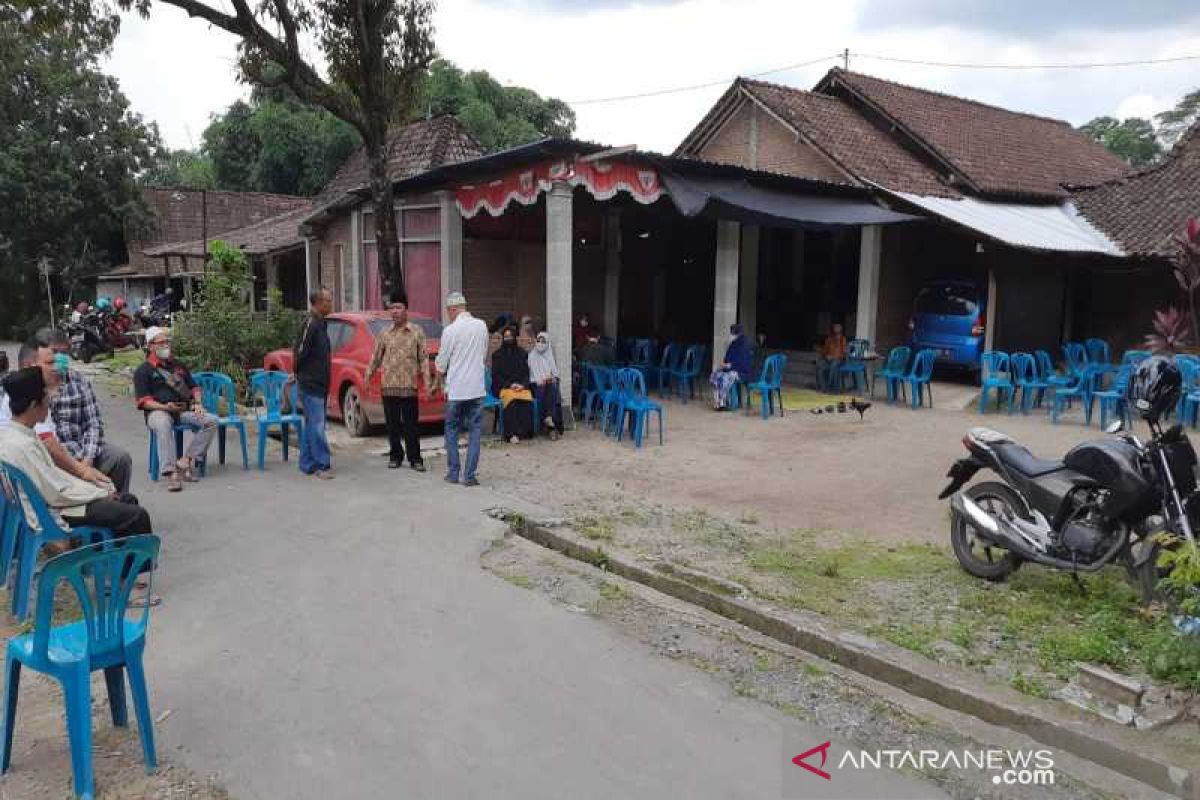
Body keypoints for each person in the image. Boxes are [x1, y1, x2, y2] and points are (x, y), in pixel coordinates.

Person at [0, 367, 153, 544]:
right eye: (46, 397)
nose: (50, 402)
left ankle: (109, 561)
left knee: (127, 500)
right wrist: (98, 494)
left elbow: (55, 480)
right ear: (34, 405)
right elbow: (56, 492)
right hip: (55, 511)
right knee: (137, 516)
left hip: (56, 502)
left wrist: (97, 490)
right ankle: (128, 570)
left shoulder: (18, 434)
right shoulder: (22, 445)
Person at [2, 340, 114, 491]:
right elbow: (49, 443)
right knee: (115, 500)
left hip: (68, 457)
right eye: (50, 362)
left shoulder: (71, 382)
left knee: (118, 461)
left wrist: (87, 460)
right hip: (46, 473)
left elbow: (93, 423)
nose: (56, 367)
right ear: (31, 366)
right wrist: (83, 473)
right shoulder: (29, 396)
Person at [43, 330, 133, 492]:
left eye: (63, 352)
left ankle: (119, 506)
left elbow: (93, 423)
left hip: (83, 448)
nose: (59, 357)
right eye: (54, 352)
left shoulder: (78, 380)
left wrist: (88, 458)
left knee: (120, 458)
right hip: (55, 455)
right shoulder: (33, 384)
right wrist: (76, 466)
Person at [133, 327, 218, 492]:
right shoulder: (143, 371)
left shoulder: (178, 365)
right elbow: (144, 401)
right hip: (158, 411)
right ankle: (171, 473)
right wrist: (164, 407)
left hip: (182, 410)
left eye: (167, 342)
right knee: (163, 424)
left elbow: (194, 388)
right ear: (151, 346)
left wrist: (198, 403)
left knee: (211, 421)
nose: (166, 345)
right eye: (161, 342)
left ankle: (186, 460)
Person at [365, 295, 431, 472]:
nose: (395, 311)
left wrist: (427, 382)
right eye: (392, 308)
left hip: (409, 387)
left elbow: (424, 358)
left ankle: (415, 459)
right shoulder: (385, 333)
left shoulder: (416, 331)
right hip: (389, 387)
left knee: (411, 425)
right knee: (392, 425)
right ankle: (395, 455)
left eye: (398, 307)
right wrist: (368, 376)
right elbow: (375, 357)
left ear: (406, 310)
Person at [435, 291, 488, 486]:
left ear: (453, 309)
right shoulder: (481, 326)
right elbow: (482, 355)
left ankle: (453, 472)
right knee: (474, 432)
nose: (448, 314)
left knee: (452, 430)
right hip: (477, 389)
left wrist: (438, 376)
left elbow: (442, 363)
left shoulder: (450, 331)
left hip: (456, 390)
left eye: (448, 311)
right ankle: (470, 476)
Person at [294, 290, 334, 479]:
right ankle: (321, 465)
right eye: (328, 300)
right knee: (317, 425)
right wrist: (299, 375)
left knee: (312, 424)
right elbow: (300, 352)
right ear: (318, 302)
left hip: (320, 382)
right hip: (311, 383)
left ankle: (307, 463)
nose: (331, 303)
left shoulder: (321, 323)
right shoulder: (310, 323)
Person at [491, 326, 535, 442]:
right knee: (511, 399)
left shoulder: (522, 353)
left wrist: (522, 385)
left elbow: (526, 373)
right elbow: (496, 376)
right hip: (503, 386)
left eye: (510, 336)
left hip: (520, 386)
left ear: (515, 337)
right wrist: (510, 385)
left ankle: (525, 432)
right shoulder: (497, 355)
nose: (508, 339)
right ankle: (511, 434)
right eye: (505, 337)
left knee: (526, 397)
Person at [529, 331, 564, 439]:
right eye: (538, 340)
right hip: (536, 385)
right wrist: (540, 381)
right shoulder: (531, 355)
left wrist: (551, 378)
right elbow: (531, 375)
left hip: (548, 385)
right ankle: (550, 423)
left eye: (543, 341)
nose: (540, 343)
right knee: (547, 390)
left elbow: (556, 375)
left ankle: (549, 418)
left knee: (552, 387)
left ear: (547, 343)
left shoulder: (550, 356)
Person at [710, 323, 754, 410]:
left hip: (743, 372)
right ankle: (718, 403)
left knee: (726, 377)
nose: (731, 335)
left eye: (732, 333)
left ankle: (725, 402)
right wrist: (723, 365)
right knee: (714, 375)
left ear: (738, 333)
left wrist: (730, 365)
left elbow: (744, 364)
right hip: (731, 369)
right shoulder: (733, 344)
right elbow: (727, 358)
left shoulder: (745, 345)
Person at [816, 322, 848, 392]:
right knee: (820, 366)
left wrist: (834, 357)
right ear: (833, 329)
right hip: (829, 360)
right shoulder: (829, 339)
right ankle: (823, 388)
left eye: (838, 327)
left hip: (839, 360)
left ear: (841, 329)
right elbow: (824, 351)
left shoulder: (843, 339)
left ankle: (830, 387)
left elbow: (844, 353)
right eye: (835, 327)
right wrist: (826, 355)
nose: (836, 329)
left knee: (834, 365)